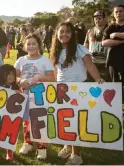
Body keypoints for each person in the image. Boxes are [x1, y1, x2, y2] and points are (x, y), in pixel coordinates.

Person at [50, 22, 103, 165]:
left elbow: (90, 65)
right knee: (64, 120)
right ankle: (68, 146)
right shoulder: (57, 50)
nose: (64, 34)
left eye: (67, 32)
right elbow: (56, 70)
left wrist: (98, 79)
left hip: (78, 90)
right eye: (61, 32)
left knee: (75, 122)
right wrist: (55, 85)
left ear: (73, 34)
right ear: (57, 34)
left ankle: (77, 154)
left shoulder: (80, 49)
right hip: (62, 91)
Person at [15, 33, 55, 160]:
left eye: (34, 44)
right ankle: (28, 143)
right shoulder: (21, 60)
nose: (31, 46)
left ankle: (42, 146)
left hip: (40, 95)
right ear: (24, 46)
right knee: (26, 120)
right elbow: (15, 76)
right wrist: (20, 80)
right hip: (24, 94)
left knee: (39, 120)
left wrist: (40, 77)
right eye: (28, 44)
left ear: (39, 45)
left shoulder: (45, 60)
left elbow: (52, 79)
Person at [0, 64, 19, 161]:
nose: (11, 76)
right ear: (2, 75)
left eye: (12, 74)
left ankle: (9, 150)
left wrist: (19, 94)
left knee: (10, 132)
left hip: (11, 116)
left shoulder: (16, 87)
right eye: (8, 74)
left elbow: (20, 101)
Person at [102, 4, 124, 102]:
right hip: (114, 62)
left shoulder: (113, 31)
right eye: (116, 12)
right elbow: (104, 43)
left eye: (121, 11)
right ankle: (118, 109)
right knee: (116, 86)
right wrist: (121, 41)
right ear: (114, 14)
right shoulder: (110, 27)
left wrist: (116, 35)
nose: (118, 13)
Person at [84, 11, 110, 81]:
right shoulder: (90, 31)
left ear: (104, 19)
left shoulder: (110, 29)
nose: (97, 20)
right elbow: (86, 45)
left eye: (99, 18)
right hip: (92, 63)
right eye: (95, 18)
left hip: (106, 63)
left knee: (106, 86)